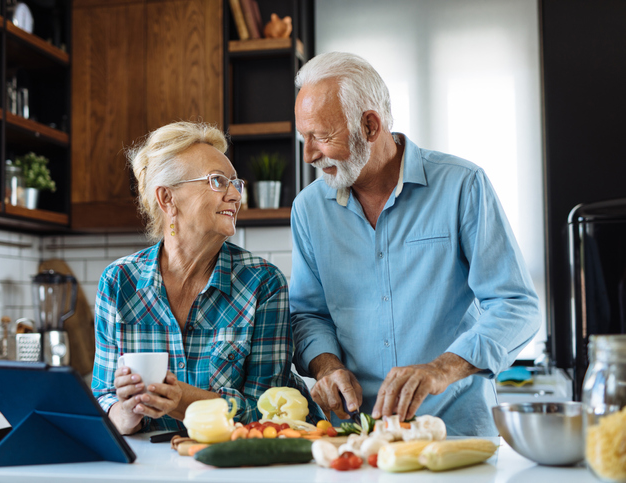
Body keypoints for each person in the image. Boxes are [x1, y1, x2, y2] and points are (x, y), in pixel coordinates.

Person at [290, 52, 540, 436]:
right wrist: (327, 367)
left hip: (456, 433)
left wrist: (442, 370)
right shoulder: (308, 210)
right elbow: (308, 315)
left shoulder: (463, 185)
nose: (309, 155)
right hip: (357, 439)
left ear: (370, 125)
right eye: (304, 138)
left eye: (322, 137)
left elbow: (516, 306)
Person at [92, 121, 321, 435]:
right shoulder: (119, 283)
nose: (235, 195)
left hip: (242, 463)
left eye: (234, 183)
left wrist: (180, 399)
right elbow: (103, 398)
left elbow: (270, 410)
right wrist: (127, 412)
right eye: (217, 181)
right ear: (167, 198)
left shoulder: (262, 283)